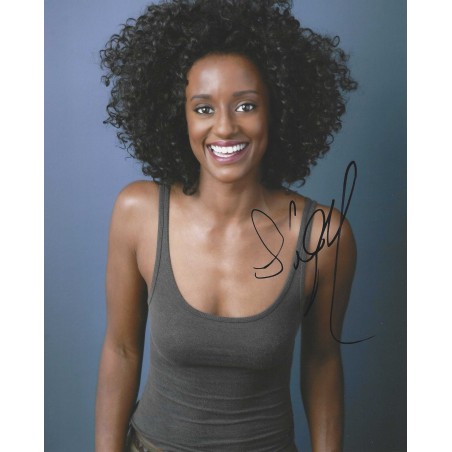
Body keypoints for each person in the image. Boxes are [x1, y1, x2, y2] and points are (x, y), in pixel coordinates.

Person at [95, 0, 357, 451]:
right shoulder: (138, 212)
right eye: (203, 109)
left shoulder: (322, 236)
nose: (224, 128)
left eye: (246, 105)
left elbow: (322, 362)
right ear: (178, 116)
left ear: (276, 110)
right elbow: (121, 350)